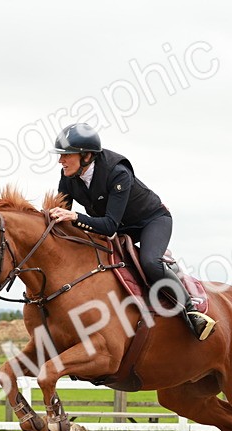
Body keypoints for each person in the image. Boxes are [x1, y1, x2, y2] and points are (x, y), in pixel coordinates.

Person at [47, 123, 216, 341]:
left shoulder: (117, 173)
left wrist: (77, 218)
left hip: (151, 221)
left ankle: (191, 311)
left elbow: (109, 226)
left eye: (66, 155)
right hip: (118, 225)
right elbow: (62, 221)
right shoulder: (68, 177)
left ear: (86, 156)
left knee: (149, 262)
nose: (61, 160)